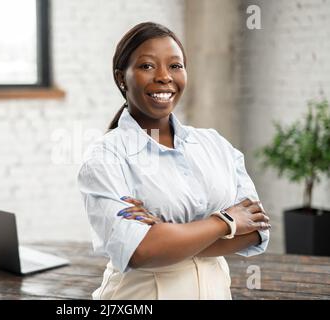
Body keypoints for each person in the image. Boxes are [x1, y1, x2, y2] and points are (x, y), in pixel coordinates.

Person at [77, 22, 270, 300]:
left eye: (175, 66)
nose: (164, 77)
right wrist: (226, 221)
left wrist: (168, 236)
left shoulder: (214, 144)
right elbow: (141, 251)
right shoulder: (106, 157)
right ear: (122, 78)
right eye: (147, 66)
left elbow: (257, 229)